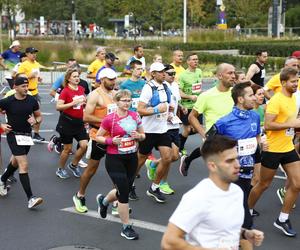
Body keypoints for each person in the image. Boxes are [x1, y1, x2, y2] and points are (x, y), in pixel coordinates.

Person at [161, 135, 264, 250]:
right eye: (229, 161)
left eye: (236, 158)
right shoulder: (198, 197)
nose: (237, 165)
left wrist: (245, 234)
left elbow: (224, 229)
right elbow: (169, 241)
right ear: (212, 166)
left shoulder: (237, 192)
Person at [248, 67, 300, 237]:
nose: (296, 84)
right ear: (283, 82)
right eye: (293, 81)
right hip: (272, 149)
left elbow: (290, 122)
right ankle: (246, 211)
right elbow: (269, 125)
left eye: (297, 80)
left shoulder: (293, 98)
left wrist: (294, 126)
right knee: (264, 184)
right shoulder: (276, 100)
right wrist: (292, 124)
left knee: (297, 183)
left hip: (288, 147)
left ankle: (282, 219)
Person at [213, 82, 261, 250]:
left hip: (248, 174)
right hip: (231, 175)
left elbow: (255, 144)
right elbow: (208, 144)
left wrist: (258, 167)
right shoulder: (224, 122)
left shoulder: (255, 116)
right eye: (250, 95)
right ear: (240, 99)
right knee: (245, 219)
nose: (254, 97)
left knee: (234, 216)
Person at [95, 89, 145, 240]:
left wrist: (139, 136)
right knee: (123, 192)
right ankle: (126, 227)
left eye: (129, 100)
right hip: (114, 158)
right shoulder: (109, 119)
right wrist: (111, 141)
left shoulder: (135, 116)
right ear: (117, 102)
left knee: (125, 189)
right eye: (124, 100)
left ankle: (104, 201)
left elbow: (143, 135)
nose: (127, 103)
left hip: (131, 158)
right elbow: (97, 137)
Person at [72, 68, 117, 213]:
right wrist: (106, 121)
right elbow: (86, 117)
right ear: (102, 79)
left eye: (114, 79)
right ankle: (80, 196)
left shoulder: (116, 94)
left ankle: (117, 201)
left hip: (114, 138)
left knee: (117, 170)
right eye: (110, 79)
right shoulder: (94, 95)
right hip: (97, 136)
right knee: (91, 169)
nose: (113, 81)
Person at [179, 63, 235, 176]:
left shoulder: (236, 93)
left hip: (234, 136)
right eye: (230, 73)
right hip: (216, 138)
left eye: (234, 73)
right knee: (224, 174)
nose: (233, 76)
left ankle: (188, 159)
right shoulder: (206, 96)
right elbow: (192, 117)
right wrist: (204, 134)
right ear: (220, 76)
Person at [0, 76, 43, 209]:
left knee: (15, 163)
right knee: (23, 164)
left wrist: (36, 121)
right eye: (23, 86)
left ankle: (2, 179)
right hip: (13, 135)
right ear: (15, 87)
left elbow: (39, 115)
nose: (26, 88)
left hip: (26, 136)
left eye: (27, 86)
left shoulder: (32, 100)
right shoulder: (7, 101)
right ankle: (31, 198)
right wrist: (1, 125)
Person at [135, 62, 173, 203]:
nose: (163, 73)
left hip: (162, 129)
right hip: (149, 131)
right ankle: (130, 183)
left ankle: (154, 187)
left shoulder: (165, 86)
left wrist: (169, 113)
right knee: (140, 159)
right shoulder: (148, 88)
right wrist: (157, 110)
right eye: (160, 71)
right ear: (153, 74)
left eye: (164, 71)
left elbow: (166, 105)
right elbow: (140, 109)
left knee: (168, 157)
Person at [145, 64, 182, 195]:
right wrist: (158, 111)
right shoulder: (155, 87)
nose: (172, 75)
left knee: (174, 156)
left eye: (174, 73)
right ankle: (162, 183)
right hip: (162, 126)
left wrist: (179, 107)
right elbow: (144, 107)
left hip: (173, 124)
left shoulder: (173, 86)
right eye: (169, 73)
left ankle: (154, 165)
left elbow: (175, 101)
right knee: (168, 156)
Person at [55, 68, 88, 179]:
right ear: (69, 78)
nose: (77, 78)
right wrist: (72, 103)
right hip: (67, 122)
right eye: (74, 76)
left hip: (79, 123)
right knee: (67, 149)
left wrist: (84, 103)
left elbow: (83, 104)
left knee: (84, 145)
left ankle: (73, 165)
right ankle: (60, 169)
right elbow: (58, 107)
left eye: (78, 76)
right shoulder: (65, 91)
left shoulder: (81, 88)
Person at [17, 47, 45, 142]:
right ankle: (22, 132)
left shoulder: (36, 63)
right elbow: (18, 77)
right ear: (27, 54)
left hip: (35, 92)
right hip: (26, 92)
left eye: (35, 53)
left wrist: (38, 78)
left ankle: (36, 134)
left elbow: (36, 75)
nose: (34, 54)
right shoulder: (24, 64)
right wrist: (30, 76)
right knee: (24, 114)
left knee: (38, 115)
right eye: (32, 53)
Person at [178, 53, 203, 155]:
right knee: (188, 129)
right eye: (193, 60)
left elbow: (198, 87)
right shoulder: (183, 75)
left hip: (197, 106)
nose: (195, 61)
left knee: (197, 129)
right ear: (188, 62)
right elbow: (179, 92)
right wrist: (190, 97)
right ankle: (180, 147)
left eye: (196, 59)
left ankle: (178, 138)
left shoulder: (199, 72)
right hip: (186, 106)